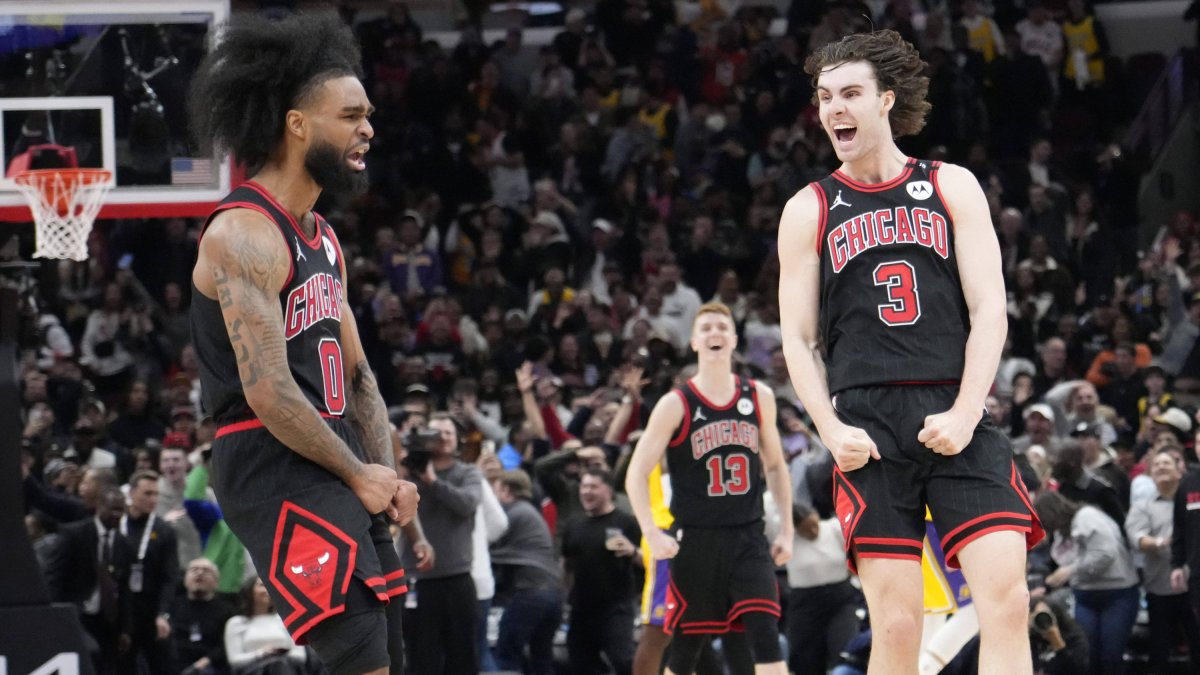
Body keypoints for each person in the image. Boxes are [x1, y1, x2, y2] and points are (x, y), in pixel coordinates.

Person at [776, 30, 1043, 675]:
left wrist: (967, 411)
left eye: (850, 94)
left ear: (886, 99)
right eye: (825, 97)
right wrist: (829, 429)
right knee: (897, 626)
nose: (834, 109)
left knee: (1008, 604)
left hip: (956, 405)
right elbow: (798, 339)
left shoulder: (951, 185)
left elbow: (990, 310)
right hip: (867, 423)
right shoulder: (809, 208)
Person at [188, 12, 418, 675]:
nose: (367, 128)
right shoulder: (243, 233)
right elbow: (267, 390)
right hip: (269, 455)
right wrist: (359, 472)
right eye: (350, 116)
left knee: (389, 655)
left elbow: (361, 378)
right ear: (296, 124)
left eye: (368, 115)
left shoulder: (323, 237)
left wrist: (387, 473)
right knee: (362, 658)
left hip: (334, 451)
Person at [626, 301, 794, 675]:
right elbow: (636, 473)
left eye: (722, 327)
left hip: (748, 538)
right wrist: (650, 532)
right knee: (686, 651)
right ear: (694, 342)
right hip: (695, 541)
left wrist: (786, 529)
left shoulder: (759, 396)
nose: (714, 333)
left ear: (734, 339)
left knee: (766, 636)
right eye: (706, 328)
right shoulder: (675, 404)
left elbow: (775, 466)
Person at [1034, 490, 1138, 675]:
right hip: (1085, 595)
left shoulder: (1086, 517)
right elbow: (1065, 559)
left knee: (1111, 656)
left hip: (1116, 593)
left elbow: (1105, 555)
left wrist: (1071, 570)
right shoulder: (1063, 531)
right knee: (1088, 655)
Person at [1125, 448, 1200, 673]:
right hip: (1159, 587)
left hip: (1191, 585)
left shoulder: (1191, 496)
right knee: (1160, 647)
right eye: (1156, 465)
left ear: (1180, 470)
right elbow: (1137, 538)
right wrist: (1161, 542)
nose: (1161, 467)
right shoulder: (1143, 506)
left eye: (1167, 463)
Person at [562, 468, 642, 675]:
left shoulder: (626, 522)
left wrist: (632, 551)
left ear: (608, 490)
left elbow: (649, 561)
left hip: (616, 606)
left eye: (593, 487)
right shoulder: (574, 524)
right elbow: (566, 564)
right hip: (581, 607)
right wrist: (565, 594)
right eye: (584, 486)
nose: (587, 491)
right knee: (580, 661)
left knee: (622, 659)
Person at [120, 470, 180, 675]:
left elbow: (169, 577)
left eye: (156, 494)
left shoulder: (164, 531)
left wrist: (163, 614)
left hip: (151, 609)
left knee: (163, 665)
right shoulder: (118, 524)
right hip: (122, 610)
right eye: (147, 493)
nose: (153, 499)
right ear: (131, 493)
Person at [224, 577, 309, 674]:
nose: (267, 589)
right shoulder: (236, 623)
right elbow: (234, 660)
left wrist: (278, 653)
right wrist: (262, 653)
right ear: (249, 591)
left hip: (285, 667)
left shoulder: (285, 620)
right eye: (262, 585)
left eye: (270, 586)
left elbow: (300, 656)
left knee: (279, 665)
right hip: (253, 671)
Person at [172, 558, 236, 675]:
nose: (200, 573)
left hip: (212, 666)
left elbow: (227, 644)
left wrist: (206, 661)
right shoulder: (172, 606)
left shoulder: (227, 610)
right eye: (194, 570)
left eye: (206, 571)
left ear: (216, 582)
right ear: (185, 580)